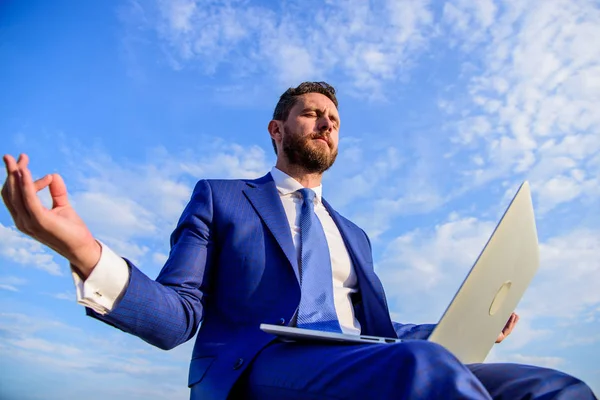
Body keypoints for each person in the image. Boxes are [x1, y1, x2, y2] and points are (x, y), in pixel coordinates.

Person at [2, 82, 596, 400]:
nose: (326, 122)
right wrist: (82, 250)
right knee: (422, 369)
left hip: (365, 359)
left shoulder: (355, 234)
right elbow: (175, 318)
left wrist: (470, 321)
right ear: (277, 129)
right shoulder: (221, 198)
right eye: (311, 113)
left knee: (552, 387)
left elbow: (378, 332)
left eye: (333, 118)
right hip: (261, 366)